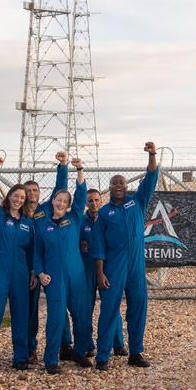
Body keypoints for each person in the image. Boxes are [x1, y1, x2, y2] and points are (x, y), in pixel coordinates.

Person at [90, 142, 160, 370]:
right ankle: (102, 356)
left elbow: (150, 177)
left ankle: (135, 352)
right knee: (109, 309)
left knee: (138, 306)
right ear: (109, 187)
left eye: (122, 183)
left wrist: (152, 154)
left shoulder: (136, 202)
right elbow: (98, 245)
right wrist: (100, 273)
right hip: (113, 267)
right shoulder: (103, 213)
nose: (119, 186)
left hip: (136, 266)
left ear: (126, 185)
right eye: (114, 183)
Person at [0, 157, 36, 373]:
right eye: (15, 195)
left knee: (21, 314)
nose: (18, 200)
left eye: (22, 197)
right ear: (9, 197)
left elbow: (32, 251)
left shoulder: (28, 223)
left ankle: (20, 357)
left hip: (20, 272)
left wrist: (32, 271)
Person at [33, 158, 89, 373]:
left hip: (76, 276)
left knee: (80, 315)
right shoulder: (43, 224)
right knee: (55, 318)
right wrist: (40, 273)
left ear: (68, 205)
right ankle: (51, 360)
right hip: (54, 278)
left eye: (65, 201)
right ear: (53, 200)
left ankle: (81, 353)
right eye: (58, 199)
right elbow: (38, 253)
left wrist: (80, 169)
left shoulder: (75, 217)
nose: (61, 203)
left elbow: (81, 194)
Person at [68, 187, 125, 363]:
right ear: (86, 203)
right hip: (86, 270)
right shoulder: (80, 222)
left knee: (111, 307)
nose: (93, 203)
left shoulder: (108, 218)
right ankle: (87, 345)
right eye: (90, 200)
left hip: (106, 269)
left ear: (101, 201)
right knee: (85, 309)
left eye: (96, 200)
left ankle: (118, 344)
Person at [21, 153, 69, 363]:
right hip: (27, 267)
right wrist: (32, 270)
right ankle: (30, 348)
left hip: (47, 266)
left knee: (59, 305)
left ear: (40, 193)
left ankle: (65, 345)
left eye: (35, 190)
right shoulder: (18, 214)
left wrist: (63, 166)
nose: (31, 193)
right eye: (28, 190)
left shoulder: (45, 210)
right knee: (30, 309)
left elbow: (61, 189)